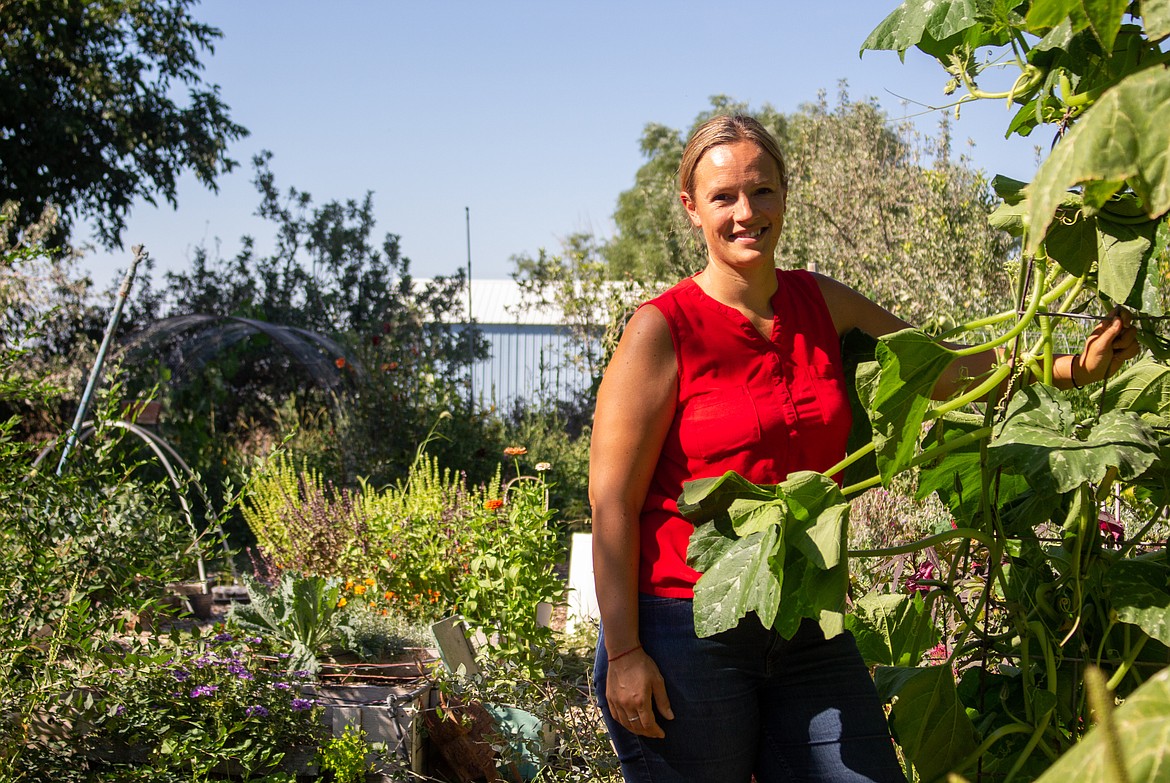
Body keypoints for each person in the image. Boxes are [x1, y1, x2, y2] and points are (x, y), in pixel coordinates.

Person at [588, 114, 1139, 783]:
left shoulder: (820, 301)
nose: (746, 212)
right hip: (686, 628)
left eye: (761, 191)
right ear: (691, 209)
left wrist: (1070, 368)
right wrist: (623, 654)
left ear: (784, 195)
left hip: (805, 621)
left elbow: (948, 367)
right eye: (723, 196)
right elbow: (612, 501)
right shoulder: (662, 329)